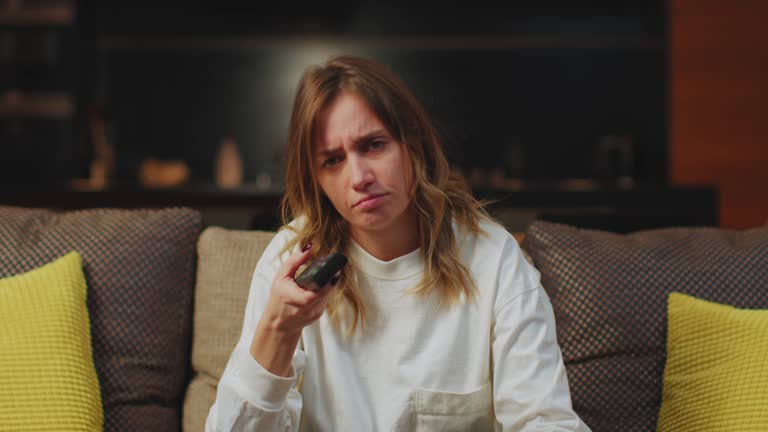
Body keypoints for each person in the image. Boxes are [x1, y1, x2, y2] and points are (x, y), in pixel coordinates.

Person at [206, 55, 590, 431]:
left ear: (414, 144)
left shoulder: (493, 258)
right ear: (316, 180)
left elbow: (545, 420)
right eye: (333, 160)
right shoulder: (290, 261)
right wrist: (278, 330)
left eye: (373, 145)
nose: (359, 177)